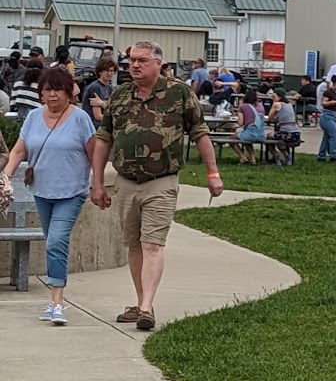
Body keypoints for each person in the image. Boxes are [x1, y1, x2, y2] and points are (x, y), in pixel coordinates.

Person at [89, 41, 222, 332]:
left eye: (142, 60)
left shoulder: (179, 93)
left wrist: (213, 173)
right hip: (126, 182)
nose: (135, 65)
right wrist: (97, 182)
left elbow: (200, 133)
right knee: (134, 244)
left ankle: (147, 308)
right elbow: (103, 139)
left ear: (158, 63)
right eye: (132, 61)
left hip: (161, 182)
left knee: (152, 243)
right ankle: (141, 304)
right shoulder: (120, 95)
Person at [2, 66, 97, 325]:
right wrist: (6, 176)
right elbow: (18, 151)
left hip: (72, 192)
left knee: (56, 241)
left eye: (57, 90)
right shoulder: (33, 117)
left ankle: (57, 302)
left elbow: (94, 154)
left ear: (68, 92)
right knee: (52, 241)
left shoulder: (80, 119)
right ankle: (54, 300)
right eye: (47, 90)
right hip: (42, 191)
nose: (52, 95)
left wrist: (97, 183)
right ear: (40, 93)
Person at [317, 75, 336, 161]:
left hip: (334, 115)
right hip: (327, 115)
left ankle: (321, 155)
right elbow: (323, 103)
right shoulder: (328, 92)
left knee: (326, 137)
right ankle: (334, 155)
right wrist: (332, 102)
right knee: (335, 135)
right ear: (335, 84)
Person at [81, 57, 118, 125]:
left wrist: (102, 104)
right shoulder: (95, 87)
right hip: (94, 125)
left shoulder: (109, 87)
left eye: (111, 71)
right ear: (100, 72)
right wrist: (114, 121)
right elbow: (98, 116)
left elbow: (113, 107)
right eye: (106, 70)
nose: (109, 73)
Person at [235, 89, 266, 165]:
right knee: (246, 138)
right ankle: (252, 159)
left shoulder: (243, 106)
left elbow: (240, 123)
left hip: (251, 134)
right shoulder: (260, 106)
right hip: (261, 135)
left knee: (232, 138)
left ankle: (243, 157)